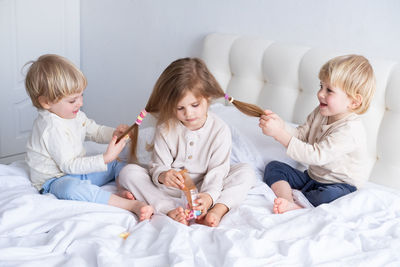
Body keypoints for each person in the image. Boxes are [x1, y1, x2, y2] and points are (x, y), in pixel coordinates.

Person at [118, 57, 261, 227]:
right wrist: (164, 175)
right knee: (129, 172)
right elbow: (158, 166)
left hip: (206, 188)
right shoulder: (165, 129)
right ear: (171, 106)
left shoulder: (220, 130)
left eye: (195, 105)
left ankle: (218, 209)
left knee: (246, 172)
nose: (189, 114)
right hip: (169, 191)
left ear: (207, 98)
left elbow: (217, 171)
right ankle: (169, 210)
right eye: (180, 108)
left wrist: (208, 198)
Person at [24, 54, 153, 221]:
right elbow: (69, 166)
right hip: (54, 179)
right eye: (72, 100)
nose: (80, 103)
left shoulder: (73, 114)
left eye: (81, 96)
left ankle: (121, 189)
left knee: (119, 163)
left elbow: (94, 130)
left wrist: (115, 133)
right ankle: (129, 205)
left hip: (76, 170)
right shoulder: (51, 128)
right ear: (46, 102)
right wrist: (105, 158)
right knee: (72, 189)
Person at [259, 54, 376, 214]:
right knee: (274, 168)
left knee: (329, 196)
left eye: (329, 90)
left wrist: (280, 134)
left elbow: (316, 156)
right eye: (321, 86)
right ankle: (287, 200)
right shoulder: (321, 112)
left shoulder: (350, 130)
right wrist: (281, 127)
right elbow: (301, 135)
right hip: (313, 178)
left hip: (341, 185)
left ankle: (298, 207)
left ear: (354, 102)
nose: (320, 93)